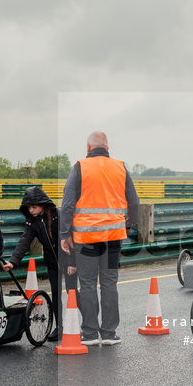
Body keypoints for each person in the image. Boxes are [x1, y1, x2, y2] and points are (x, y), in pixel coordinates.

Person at [60, 131, 139, 346]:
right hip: (113, 238)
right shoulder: (120, 167)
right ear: (107, 147)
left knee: (87, 284)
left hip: (85, 238)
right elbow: (134, 202)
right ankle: (110, 334)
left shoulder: (79, 167)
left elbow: (67, 205)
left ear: (88, 148)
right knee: (109, 283)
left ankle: (90, 334)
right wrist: (128, 226)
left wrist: (65, 234)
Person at [2, 186, 75, 342]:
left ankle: (88, 325)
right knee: (56, 294)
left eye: (34, 207)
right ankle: (60, 328)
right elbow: (24, 242)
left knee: (73, 293)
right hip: (52, 261)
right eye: (29, 207)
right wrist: (13, 263)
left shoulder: (59, 216)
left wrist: (72, 262)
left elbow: (72, 239)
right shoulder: (32, 222)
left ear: (43, 204)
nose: (31, 210)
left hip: (69, 260)